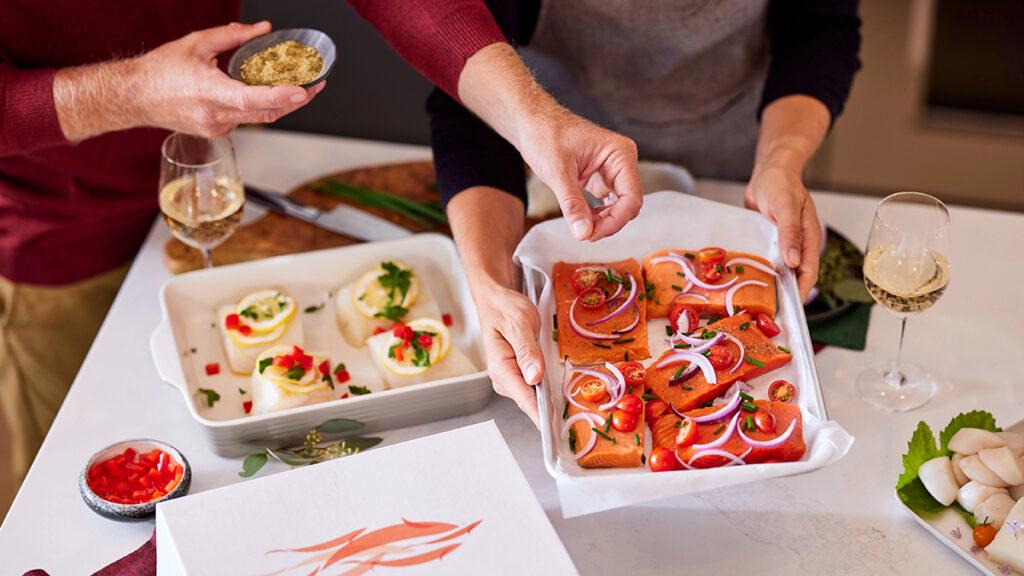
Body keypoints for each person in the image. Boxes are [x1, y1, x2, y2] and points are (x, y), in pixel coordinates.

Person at [422, 1, 862, 424]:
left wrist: (780, 160)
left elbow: (818, 29)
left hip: (736, 151)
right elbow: (470, 106)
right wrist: (491, 285)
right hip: (559, 154)